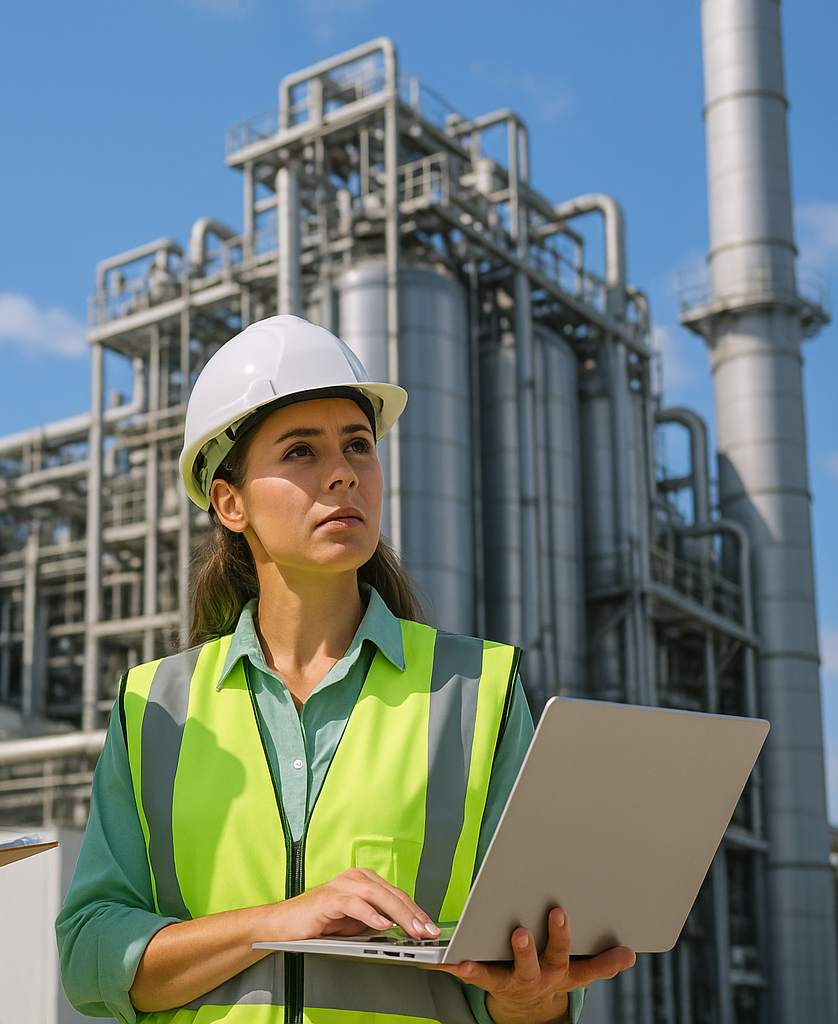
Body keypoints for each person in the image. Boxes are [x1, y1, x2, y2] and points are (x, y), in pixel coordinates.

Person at [55, 315, 634, 1024]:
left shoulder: (476, 690)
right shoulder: (155, 707)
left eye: (359, 445)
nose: (344, 472)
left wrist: (531, 998)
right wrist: (279, 921)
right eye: (301, 450)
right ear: (230, 503)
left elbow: (522, 981)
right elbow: (90, 958)